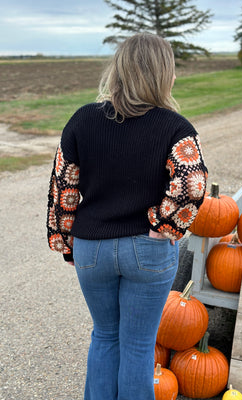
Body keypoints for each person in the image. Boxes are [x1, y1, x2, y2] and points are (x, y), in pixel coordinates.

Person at [46, 32, 207, 400]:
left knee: (104, 335)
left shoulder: (82, 119)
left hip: (92, 249)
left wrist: (67, 242)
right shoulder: (175, 126)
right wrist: (163, 226)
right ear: (163, 74)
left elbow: (63, 186)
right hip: (146, 250)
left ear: (118, 70)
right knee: (137, 346)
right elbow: (192, 185)